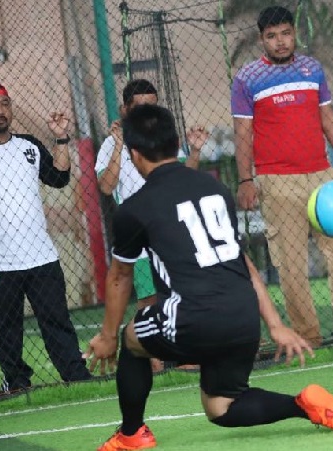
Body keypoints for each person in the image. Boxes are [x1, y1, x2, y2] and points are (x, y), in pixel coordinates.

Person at [83, 104, 333, 451]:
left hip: (192, 318)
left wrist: (107, 336)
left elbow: (119, 277)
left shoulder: (134, 208)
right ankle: (303, 405)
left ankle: (132, 435)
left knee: (131, 339)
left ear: (135, 155)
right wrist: (275, 324)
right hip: (243, 316)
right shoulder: (213, 188)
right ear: (176, 144)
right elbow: (242, 261)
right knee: (221, 406)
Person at [232, 5, 333, 347]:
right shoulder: (247, 78)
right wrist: (246, 180)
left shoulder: (313, 69)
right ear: (262, 40)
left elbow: (328, 120)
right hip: (276, 183)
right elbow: (243, 133)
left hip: (324, 178)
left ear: (294, 33)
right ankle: (308, 338)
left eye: (285, 33)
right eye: (272, 36)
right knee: (292, 266)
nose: (280, 42)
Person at [95, 79, 207, 372]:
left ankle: (185, 354)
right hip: (140, 235)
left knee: (179, 293)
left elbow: (183, 179)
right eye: (139, 106)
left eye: (152, 105)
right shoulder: (110, 144)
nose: (147, 112)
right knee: (148, 298)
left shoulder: (163, 139)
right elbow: (106, 186)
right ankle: (151, 360)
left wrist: (195, 152)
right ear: (125, 109)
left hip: (171, 233)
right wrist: (119, 145)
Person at [0, 82, 92, 395]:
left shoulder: (29, 146)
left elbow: (59, 178)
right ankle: (16, 383)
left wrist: (60, 138)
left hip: (41, 256)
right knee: (6, 329)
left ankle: (76, 375)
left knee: (57, 320)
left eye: (5, 104)